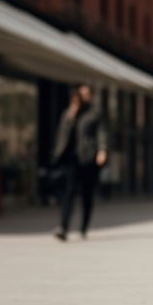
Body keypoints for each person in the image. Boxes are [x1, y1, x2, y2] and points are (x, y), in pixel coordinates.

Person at [52, 85, 107, 241]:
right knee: (68, 193)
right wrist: (72, 114)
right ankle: (63, 227)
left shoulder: (94, 113)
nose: (84, 97)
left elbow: (102, 132)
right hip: (71, 159)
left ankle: (84, 227)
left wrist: (102, 150)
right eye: (81, 94)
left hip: (88, 158)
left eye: (86, 94)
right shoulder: (69, 113)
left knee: (86, 194)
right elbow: (61, 134)